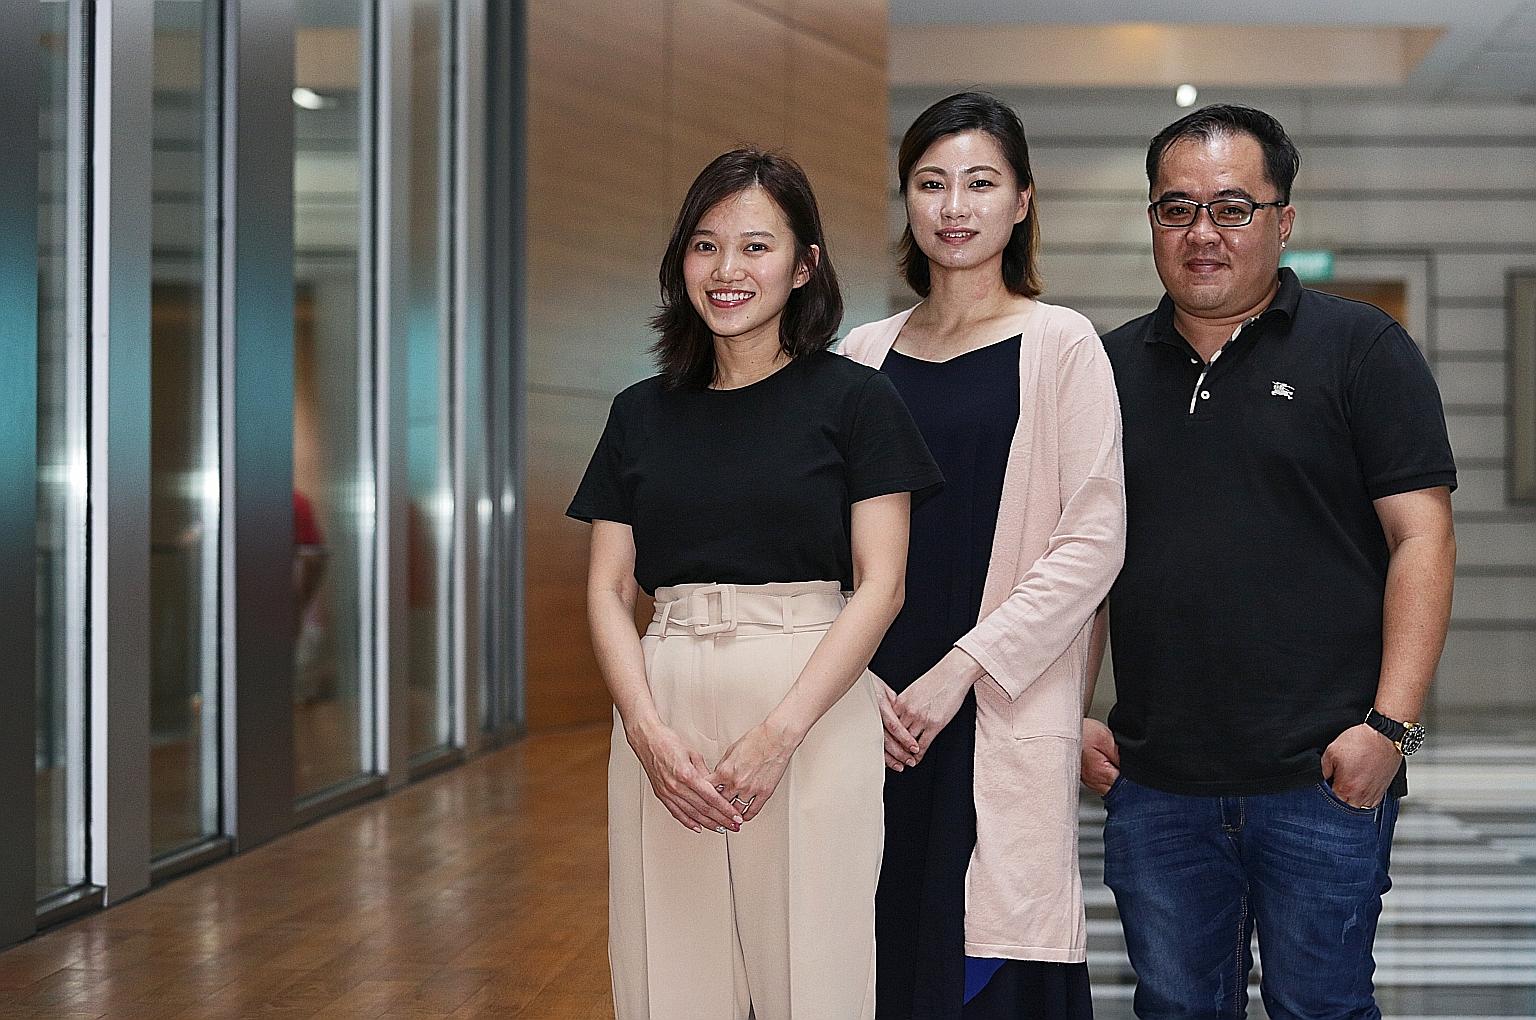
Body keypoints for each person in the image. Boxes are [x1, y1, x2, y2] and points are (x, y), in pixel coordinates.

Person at [1083, 104, 1458, 1019]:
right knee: (1176, 1009)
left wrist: (1391, 730)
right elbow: (1080, 566)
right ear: (1152, 221)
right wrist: (1069, 716)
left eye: (1232, 208)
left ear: (1283, 220)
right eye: (1176, 209)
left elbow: (1423, 539)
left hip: (1322, 779)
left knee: (1322, 1008)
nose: (1202, 232)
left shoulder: (1362, 350)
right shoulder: (1103, 369)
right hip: (1156, 784)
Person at [567, 148, 943, 1020]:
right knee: (669, 978)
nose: (726, 269)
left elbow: (882, 584)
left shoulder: (858, 400)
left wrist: (781, 734)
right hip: (664, 699)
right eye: (705, 245)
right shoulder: (638, 411)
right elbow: (608, 590)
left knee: (813, 978)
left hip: (810, 695)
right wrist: (645, 731)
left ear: (804, 265)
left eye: (755, 246)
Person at [841, 91, 1126, 1019]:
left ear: (1023, 200)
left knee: (990, 963)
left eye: (980, 183)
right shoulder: (861, 355)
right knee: (868, 957)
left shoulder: (1062, 344)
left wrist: (958, 670)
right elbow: (821, 541)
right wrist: (858, 683)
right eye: (931, 184)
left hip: (994, 698)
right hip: (871, 712)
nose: (954, 206)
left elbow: (1093, 540)